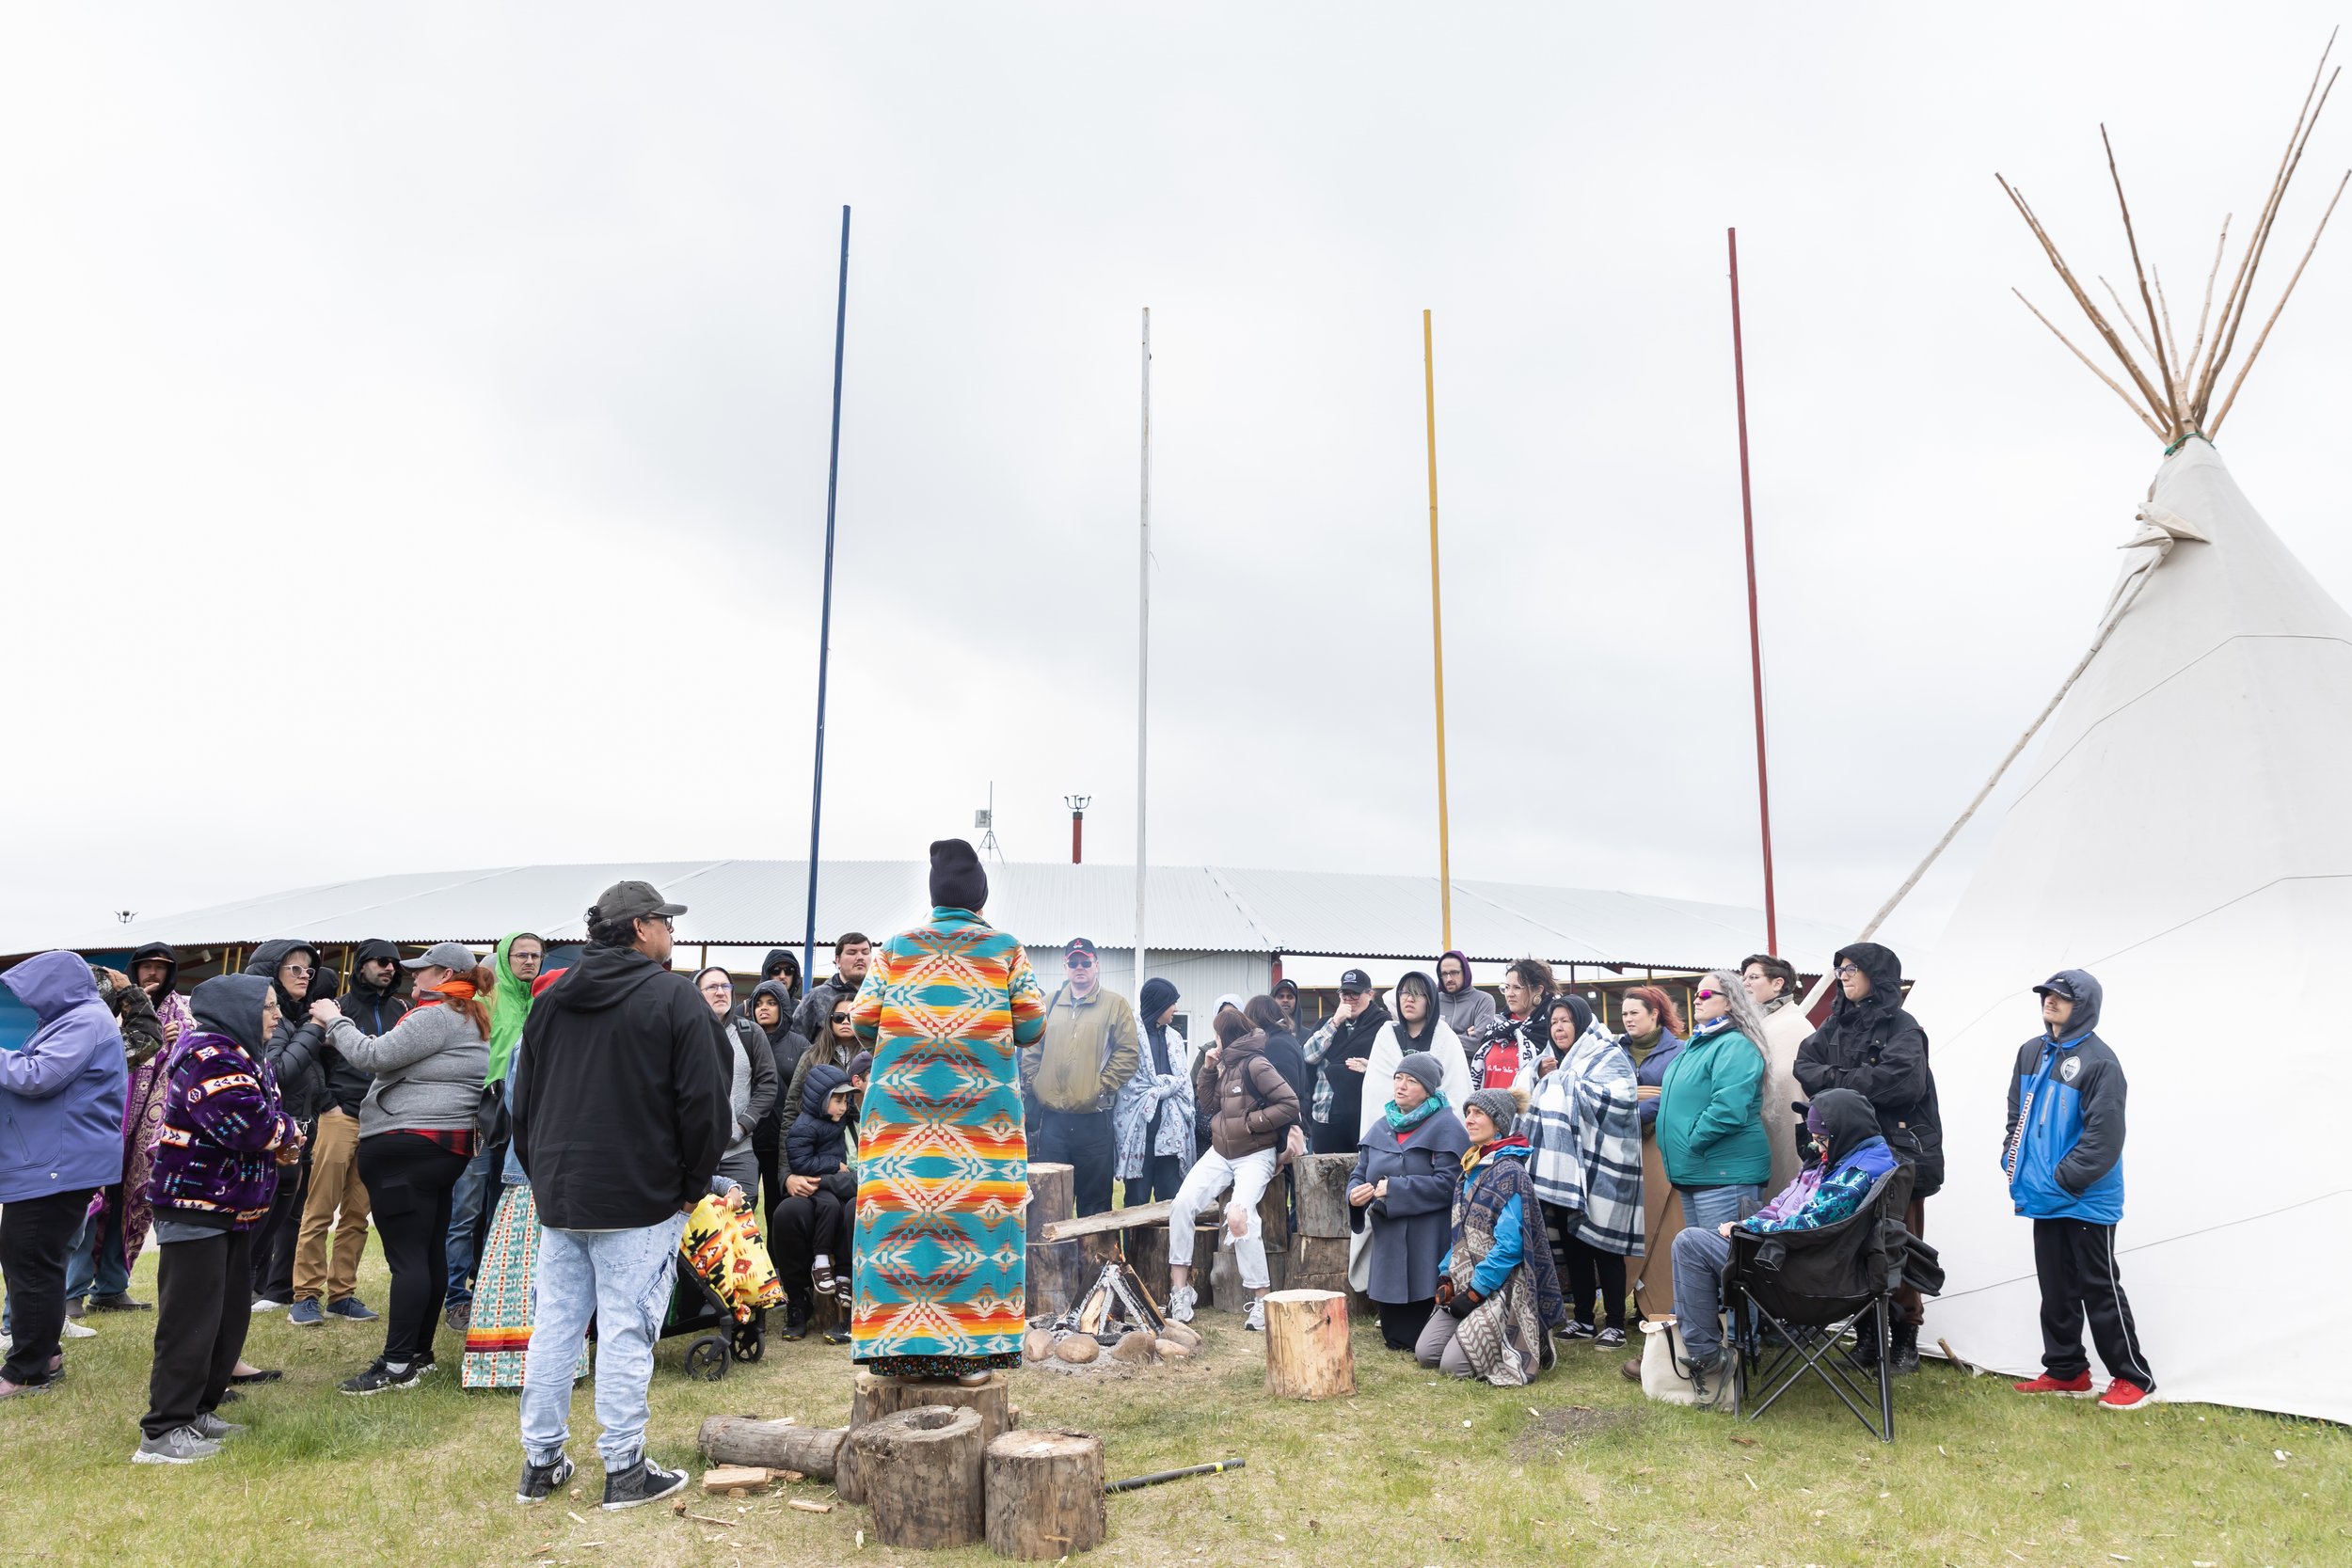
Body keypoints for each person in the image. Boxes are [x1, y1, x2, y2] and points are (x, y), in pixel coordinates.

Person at [510, 879, 726, 1509]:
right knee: (626, 1327)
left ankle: (541, 1461)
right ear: (640, 928)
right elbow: (703, 1105)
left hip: (564, 1192)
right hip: (639, 1194)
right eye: (666, 921)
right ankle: (625, 1470)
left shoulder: (550, 1000)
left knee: (556, 1325)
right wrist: (691, 1186)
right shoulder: (673, 998)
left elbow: (522, 1102)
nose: (673, 932)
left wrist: (542, 1175)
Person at [849, 840, 1046, 1383]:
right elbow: (1032, 1026)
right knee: (977, 1230)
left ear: (935, 897)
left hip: (900, 1125)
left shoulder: (894, 947)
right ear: (979, 899)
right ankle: (972, 1356)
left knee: (900, 1230)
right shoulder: (1005, 948)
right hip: (982, 1126)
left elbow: (863, 1020)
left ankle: (896, 1354)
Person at [133, 972, 303, 1460]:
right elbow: (249, 1122)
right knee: (191, 1318)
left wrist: (282, 1134)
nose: (276, 1015)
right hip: (195, 1204)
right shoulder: (209, 1054)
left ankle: (198, 1410)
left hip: (232, 1207)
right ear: (239, 1010)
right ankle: (162, 1433)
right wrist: (290, 1132)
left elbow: (266, 1118)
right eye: (268, 1007)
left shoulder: (245, 1054)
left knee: (226, 1314)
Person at [311, 942, 492, 1395]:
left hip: (404, 1145)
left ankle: (395, 1366)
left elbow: (373, 1056)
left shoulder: (436, 1014)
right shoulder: (473, 1015)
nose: (413, 977)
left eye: (422, 970)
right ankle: (418, 1354)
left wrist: (335, 1019)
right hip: (445, 1148)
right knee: (428, 1253)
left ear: (446, 973)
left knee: (407, 1259)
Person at [1668, 1088, 1901, 1387]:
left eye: (1822, 1138)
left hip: (1807, 1275)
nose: (1817, 1146)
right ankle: (1707, 1352)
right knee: (1699, 1242)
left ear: (1845, 1129)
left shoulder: (1858, 1172)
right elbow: (1781, 1206)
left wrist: (1747, 1232)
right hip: (1799, 1260)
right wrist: (1747, 1224)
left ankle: (1708, 1358)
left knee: (1690, 1244)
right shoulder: (1838, 1158)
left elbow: (1811, 1225)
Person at [2005, 970, 2154, 1410]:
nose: (2050, 1001)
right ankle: (2067, 1370)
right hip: (2042, 1195)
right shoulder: (2031, 1052)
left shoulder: (2100, 1061)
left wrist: (2063, 1178)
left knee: (2099, 1287)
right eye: (2047, 994)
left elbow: (2104, 1137)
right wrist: (2012, 1157)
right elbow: (2017, 1111)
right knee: (2055, 1288)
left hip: (2086, 1198)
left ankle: (2134, 1378)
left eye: (2062, 997)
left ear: (2083, 1004)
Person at [1792, 942, 1942, 1375]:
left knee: (1897, 1244)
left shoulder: (1904, 1028)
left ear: (1877, 974)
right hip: (1844, 1155)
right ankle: (1868, 1341)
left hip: (1896, 1157)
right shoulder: (1833, 1025)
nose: (1843, 975)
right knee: (1854, 1247)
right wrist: (1850, 1086)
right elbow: (1805, 1066)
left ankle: (1905, 1344)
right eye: (1839, 968)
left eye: (1853, 968)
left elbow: (1901, 1085)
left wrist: (1837, 1086)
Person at [0, 952, 128, 1400]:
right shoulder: (77, 1018)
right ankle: (44, 1355)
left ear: (55, 986)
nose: (29, 1001)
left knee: (31, 1260)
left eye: (32, 991)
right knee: (31, 1259)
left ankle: (27, 1371)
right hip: (51, 1161)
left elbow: (39, 1076)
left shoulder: (84, 1021)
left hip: (58, 1163)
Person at [462, 968, 588, 1391]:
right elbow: (523, 1111)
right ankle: (514, 1365)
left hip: (550, 1170)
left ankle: (549, 1362)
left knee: (548, 1273)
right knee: (525, 1270)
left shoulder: (559, 1044)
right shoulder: (530, 1044)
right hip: (534, 1173)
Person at [288, 940, 403, 1328]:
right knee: (319, 1208)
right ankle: (305, 1295)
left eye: (394, 963)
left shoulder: (401, 1009)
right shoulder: (334, 1009)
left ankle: (342, 1294)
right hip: (340, 1117)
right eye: (381, 962)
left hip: (378, 1122)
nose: (388, 968)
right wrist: (327, 1101)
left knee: (358, 1214)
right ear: (362, 965)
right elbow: (309, 1061)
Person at [1416, 1086, 1562, 1386]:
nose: (1469, 1119)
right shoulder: (1469, 1168)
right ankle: (1473, 1337)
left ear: (1498, 1123)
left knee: (1452, 1368)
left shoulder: (1510, 1173)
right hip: (1464, 1278)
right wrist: (1447, 1276)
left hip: (1501, 1288)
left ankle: (1515, 1341)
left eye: (1478, 1113)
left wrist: (1473, 1294)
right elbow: (1461, 1236)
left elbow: (1510, 1247)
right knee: (1426, 1354)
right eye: (1468, 1112)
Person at [1167, 1006, 1300, 1332]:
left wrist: (1252, 1123)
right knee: (1181, 1204)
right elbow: (1210, 1105)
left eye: (1216, 1034)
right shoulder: (1225, 1063)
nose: (1214, 1040)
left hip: (1255, 1154)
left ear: (1225, 1036)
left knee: (1240, 1217)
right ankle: (1180, 1291)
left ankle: (1260, 1298)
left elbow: (1290, 1103)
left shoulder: (1256, 1063)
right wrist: (1209, 1070)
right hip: (1221, 1151)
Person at [1522, 995, 1643, 1349]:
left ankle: (1616, 1323)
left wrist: (1563, 1082)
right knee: (1574, 1241)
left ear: (1581, 1022)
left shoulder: (1607, 1053)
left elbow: (1621, 1097)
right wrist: (1541, 1076)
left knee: (1604, 1243)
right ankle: (1585, 1319)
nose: (1558, 1028)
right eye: (1553, 1021)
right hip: (1562, 1167)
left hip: (1602, 1163)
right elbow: (1526, 1098)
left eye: (1565, 1021)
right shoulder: (1547, 1061)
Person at [447, 932, 543, 1333]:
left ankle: (488, 1289)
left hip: (523, 1120)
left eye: (537, 956)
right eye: (521, 954)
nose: (529, 962)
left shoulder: (541, 1002)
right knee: (466, 1207)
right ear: (504, 957)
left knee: (503, 1210)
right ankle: (456, 1297)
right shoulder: (486, 997)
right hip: (482, 1114)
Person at [1348, 1052, 1469, 1350]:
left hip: (1427, 1239)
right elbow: (1359, 1172)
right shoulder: (1382, 1125)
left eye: (1411, 1081)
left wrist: (1397, 1189)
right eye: (1398, 1078)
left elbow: (1450, 1184)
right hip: (1389, 1239)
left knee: (1417, 1333)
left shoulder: (1447, 1127)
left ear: (1428, 1089)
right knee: (1395, 1336)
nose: (1401, 1086)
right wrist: (1354, 1195)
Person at [64, 965, 166, 1318]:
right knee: (77, 1223)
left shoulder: (50, 1035)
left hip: (63, 1150)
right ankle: (66, 1300)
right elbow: (150, 1037)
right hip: (87, 1149)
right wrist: (132, 993)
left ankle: (71, 1302)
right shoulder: (99, 1045)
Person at [1021, 936, 1138, 1216]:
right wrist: (1039, 1085)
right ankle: (1051, 1261)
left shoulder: (1115, 1005)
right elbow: (1031, 1050)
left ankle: (1095, 1262)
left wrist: (1100, 1087)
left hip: (1094, 1123)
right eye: (1073, 962)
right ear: (1065, 966)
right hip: (1053, 1125)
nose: (1079, 967)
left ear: (1096, 965)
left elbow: (1128, 1054)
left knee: (1095, 1207)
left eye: (1085, 961)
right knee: (1049, 1206)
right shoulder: (1047, 1004)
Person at [245, 940, 332, 1311]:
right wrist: (314, 1028)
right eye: (293, 968)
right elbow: (278, 1071)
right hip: (278, 1128)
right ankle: (258, 1285)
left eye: (307, 970)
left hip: (302, 1125)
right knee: (271, 1211)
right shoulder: (273, 1017)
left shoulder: (292, 1015)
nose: (304, 975)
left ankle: (277, 1288)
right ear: (271, 973)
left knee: (292, 1210)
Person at [1658, 971, 1772, 1236]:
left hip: (1724, 1176)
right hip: (1697, 1172)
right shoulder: (1696, 1046)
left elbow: (1728, 1109)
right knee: (1702, 1262)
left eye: (1707, 994)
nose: (1698, 1000)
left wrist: (1693, 1141)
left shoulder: (1734, 1045)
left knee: (1725, 1263)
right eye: (1696, 994)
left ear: (1730, 1002)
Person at [774, 1063, 859, 1345]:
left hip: (850, 1193)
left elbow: (863, 1176)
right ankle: (798, 1301)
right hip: (821, 1192)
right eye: (841, 1099)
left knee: (852, 1211)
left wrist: (821, 1180)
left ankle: (849, 1307)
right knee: (788, 1212)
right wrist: (789, 1177)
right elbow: (798, 1145)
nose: (846, 1105)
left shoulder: (863, 1120)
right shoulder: (815, 1119)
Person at [692, 966, 778, 1199]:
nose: (721, 992)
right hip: (693, 1153)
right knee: (696, 1227)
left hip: (738, 1152)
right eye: (712, 987)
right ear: (697, 993)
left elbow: (768, 1085)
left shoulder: (750, 1033)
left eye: (726, 986)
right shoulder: (683, 1033)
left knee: (742, 1226)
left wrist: (742, 1126)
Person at [1356, 971, 1471, 1140]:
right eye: (1405, 993)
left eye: (1418, 994)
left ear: (1430, 1000)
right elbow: (1376, 1091)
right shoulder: (1386, 1035)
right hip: (1389, 1133)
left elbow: (1456, 1091)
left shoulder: (1445, 1037)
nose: (1409, 999)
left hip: (1435, 1135)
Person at [744, 975, 810, 1264]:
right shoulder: (744, 1040)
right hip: (746, 1140)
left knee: (778, 1210)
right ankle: (748, 1271)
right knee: (745, 1209)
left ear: (784, 1006)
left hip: (783, 1143)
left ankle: (780, 1270)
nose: (764, 1008)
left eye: (772, 1003)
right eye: (759, 1003)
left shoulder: (799, 1045)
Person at [1113, 976, 1195, 1206]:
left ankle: (1169, 1243)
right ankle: (1134, 1244)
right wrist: (1164, 1085)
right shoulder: (1129, 1035)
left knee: (1171, 1200)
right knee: (1136, 1200)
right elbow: (1128, 1084)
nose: (1175, 1009)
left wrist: (1164, 1086)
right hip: (1140, 1130)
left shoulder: (1175, 1038)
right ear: (1158, 1005)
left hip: (1171, 1132)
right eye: (1172, 1003)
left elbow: (1183, 1081)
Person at [1740, 952, 1813, 1195]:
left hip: (1786, 1118)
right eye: (1743, 978)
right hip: (1758, 1122)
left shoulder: (1793, 1024)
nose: (1745, 983)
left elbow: (1786, 1078)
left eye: (1753, 977)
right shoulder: (1755, 1023)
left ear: (1777, 983)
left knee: (1785, 1183)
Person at [1303, 969, 1386, 1155]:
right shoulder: (1327, 1023)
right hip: (1325, 1116)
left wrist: (1368, 1067)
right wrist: (1335, 1022)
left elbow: (1388, 1066)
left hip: (1362, 1116)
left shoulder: (1382, 1025)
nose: (1349, 999)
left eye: (1355, 993)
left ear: (1370, 995)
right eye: (1344, 994)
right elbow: (1308, 1056)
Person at [1467, 959, 1552, 1091]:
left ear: (1538, 990)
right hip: (1487, 1109)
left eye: (1517, 987)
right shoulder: (1495, 1029)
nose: (1509, 994)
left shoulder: (1551, 1030)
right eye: (1506, 987)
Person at [793, 932, 872, 1044]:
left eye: (865, 952)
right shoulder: (817, 997)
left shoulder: (880, 996)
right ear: (838, 960)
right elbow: (795, 1041)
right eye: (852, 952)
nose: (860, 957)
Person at [1437, 950, 1496, 1039]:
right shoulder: (1434, 1001)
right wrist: (1465, 1035)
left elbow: (1477, 1042)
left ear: (1465, 972)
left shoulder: (1483, 1000)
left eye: (1454, 972)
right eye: (1444, 974)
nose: (1449, 979)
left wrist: (1439, 1040)